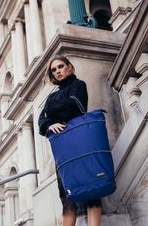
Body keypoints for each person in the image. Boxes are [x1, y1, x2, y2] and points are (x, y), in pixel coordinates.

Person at [38, 55, 102, 226]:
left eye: (60, 67)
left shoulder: (78, 85)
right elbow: (40, 122)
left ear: (69, 67)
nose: (58, 71)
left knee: (92, 191)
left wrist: (49, 112)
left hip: (81, 144)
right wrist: (49, 124)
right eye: (54, 69)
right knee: (66, 197)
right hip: (63, 151)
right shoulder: (51, 97)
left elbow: (74, 106)